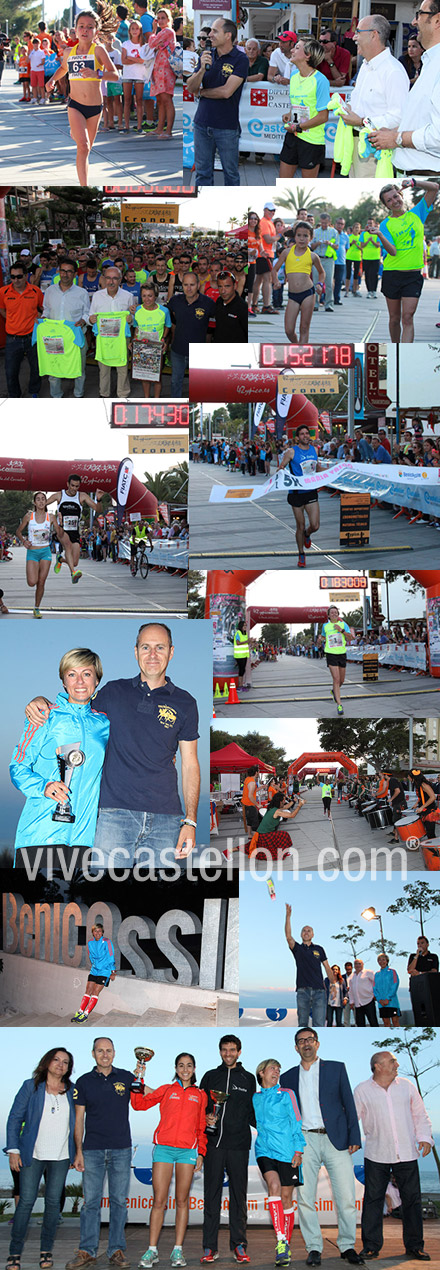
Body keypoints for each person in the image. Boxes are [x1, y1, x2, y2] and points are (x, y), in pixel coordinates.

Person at [24, 622, 200, 868]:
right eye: (145, 647)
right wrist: (40, 700)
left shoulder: (186, 703)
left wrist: (190, 821)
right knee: (105, 898)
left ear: (171, 652)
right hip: (113, 817)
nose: (152, 654)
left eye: (159, 647)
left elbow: (190, 763)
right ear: (135, 651)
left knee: (158, 899)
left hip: (166, 819)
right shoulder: (112, 692)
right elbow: (77, 702)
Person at [10, 647, 109, 855]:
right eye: (72, 674)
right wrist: (43, 786)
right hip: (40, 834)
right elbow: (18, 766)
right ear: (64, 681)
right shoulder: (45, 715)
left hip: (85, 839)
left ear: (97, 680)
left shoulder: (104, 724)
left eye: (87, 674)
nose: (80, 681)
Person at [281, 1029, 363, 1267]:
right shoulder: (287, 1077)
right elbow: (285, 1116)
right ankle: (314, 1247)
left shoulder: (337, 1068)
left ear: (317, 1044)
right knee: (305, 1198)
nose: (306, 1044)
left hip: (336, 1139)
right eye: (301, 1041)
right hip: (304, 1142)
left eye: (310, 1040)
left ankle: (347, 1245)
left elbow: (349, 1102)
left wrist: (354, 1135)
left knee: (346, 1197)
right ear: (296, 1048)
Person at [354, 1050, 433, 1260]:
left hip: (407, 1152)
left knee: (412, 1201)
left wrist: (425, 1137)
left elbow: (420, 1114)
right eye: (392, 1061)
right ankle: (371, 1246)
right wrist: (351, 1141)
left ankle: (415, 1246)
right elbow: (354, 1118)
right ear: (378, 1066)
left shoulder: (407, 1086)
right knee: (373, 1200)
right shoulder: (362, 1090)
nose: (397, 1065)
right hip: (376, 1153)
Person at [66, 1037, 137, 1270]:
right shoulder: (83, 1082)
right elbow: (78, 1120)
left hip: (121, 1149)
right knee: (90, 1204)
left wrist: (176, 1091)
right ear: (93, 1053)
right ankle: (87, 1251)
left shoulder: (127, 1077)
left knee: (119, 1202)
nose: (104, 1054)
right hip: (92, 1150)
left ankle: (116, 1250)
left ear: (114, 1053)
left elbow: (150, 1094)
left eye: (108, 1050)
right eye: (100, 1051)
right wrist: (78, 1151)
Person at [132, 1052, 207, 1268]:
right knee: (159, 1201)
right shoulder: (166, 1089)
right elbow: (139, 1105)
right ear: (176, 1069)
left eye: (189, 1065)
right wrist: (138, 1082)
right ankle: (152, 1250)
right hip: (163, 1149)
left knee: (182, 1201)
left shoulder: (200, 1095)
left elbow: (201, 1126)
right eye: (181, 1065)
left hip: (187, 1152)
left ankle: (177, 1250)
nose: (185, 1069)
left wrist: (201, 1152)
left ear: (194, 1069)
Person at [6, 1047, 76, 1270]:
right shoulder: (31, 1086)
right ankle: (14, 1252)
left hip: (61, 1156)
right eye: (56, 1060)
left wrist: (78, 1152)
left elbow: (79, 1123)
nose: (60, 1065)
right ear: (47, 1062)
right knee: (26, 1202)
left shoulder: (72, 1091)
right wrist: (13, 1151)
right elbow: (14, 1118)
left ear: (69, 1068)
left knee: (53, 1205)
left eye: (65, 1062)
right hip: (32, 1155)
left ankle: (46, 1251)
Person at [45, 10, 119, 186]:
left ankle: (77, 131)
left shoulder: (99, 50)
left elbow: (115, 75)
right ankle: (84, 186)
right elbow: (63, 68)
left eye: (90, 27)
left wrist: (97, 73)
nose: (85, 30)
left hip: (95, 108)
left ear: (96, 31)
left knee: (87, 150)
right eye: (81, 26)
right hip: (75, 105)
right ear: (76, 30)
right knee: (83, 146)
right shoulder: (69, 52)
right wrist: (52, 80)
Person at [199, 1034, 256, 1264]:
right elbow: (200, 1109)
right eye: (224, 1050)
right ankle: (209, 1247)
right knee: (211, 1196)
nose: (228, 1053)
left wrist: (273, 1128)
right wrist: (205, 1119)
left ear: (239, 1052)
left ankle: (239, 1245)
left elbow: (253, 1113)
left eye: (232, 1050)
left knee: (238, 1198)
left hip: (239, 1145)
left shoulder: (248, 1078)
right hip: (213, 1146)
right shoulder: (210, 1076)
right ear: (220, 1051)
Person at [370, 1, 440, 176]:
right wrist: (396, 133)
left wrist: (397, 138)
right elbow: (423, 119)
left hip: (427, 176)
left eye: (419, 14)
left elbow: (438, 135)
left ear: (437, 20)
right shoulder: (431, 62)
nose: (414, 22)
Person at [339, 16, 408, 177]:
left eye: (358, 32)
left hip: (375, 151)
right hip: (357, 145)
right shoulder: (365, 66)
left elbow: (399, 118)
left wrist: (362, 121)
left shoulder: (393, 71)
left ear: (373, 35)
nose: (354, 38)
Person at [253, 1058, 305, 1267]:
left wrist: (299, 1149)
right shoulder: (254, 1098)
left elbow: (296, 1121)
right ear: (261, 1073)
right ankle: (281, 1242)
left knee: (286, 1198)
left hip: (287, 1151)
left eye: (278, 1069)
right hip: (264, 1150)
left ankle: (286, 1243)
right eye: (272, 1068)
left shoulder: (287, 1094)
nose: (276, 1072)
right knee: (273, 1187)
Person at [186, 18, 249, 186]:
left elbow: (226, 92)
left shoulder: (240, 59)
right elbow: (191, 87)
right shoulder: (205, 55)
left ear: (228, 35)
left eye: (214, 31)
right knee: (202, 174)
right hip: (202, 124)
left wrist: (202, 92)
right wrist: (200, 71)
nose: (209, 35)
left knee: (231, 174)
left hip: (226, 127)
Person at [377, 180, 439, 342]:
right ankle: (395, 346)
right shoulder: (385, 225)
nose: (394, 201)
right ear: (386, 206)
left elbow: (435, 187)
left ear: (401, 195)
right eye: (389, 200)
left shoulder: (417, 213)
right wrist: (381, 236)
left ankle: (404, 353)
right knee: (394, 319)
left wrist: (413, 182)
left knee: (408, 317)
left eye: (395, 196)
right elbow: (392, 251)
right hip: (392, 275)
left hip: (413, 277)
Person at [39, 257, 91, 398]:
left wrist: (83, 321)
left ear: (75, 274)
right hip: (54, 337)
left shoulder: (82, 293)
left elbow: (87, 313)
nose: (65, 274)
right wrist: (43, 319)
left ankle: (78, 394)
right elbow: (46, 310)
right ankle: (56, 395)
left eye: (69, 271)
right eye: (63, 271)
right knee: (54, 369)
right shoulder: (50, 291)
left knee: (79, 369)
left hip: (75, 338)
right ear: (58, 272)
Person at [279, 39, 329, 180]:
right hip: (293, 136)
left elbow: (323, 116)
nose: (292, 51)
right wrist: (289, 115)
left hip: (311, 141)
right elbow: (297, 104)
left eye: (297, 48)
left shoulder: (320, 80)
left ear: (307, 55)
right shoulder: (294, 76)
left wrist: (298, 127)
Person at [46, 473, 104, 585]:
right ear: (68, 484)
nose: (74, 489)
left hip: (74, 531)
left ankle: (61, 560)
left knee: (75, 562)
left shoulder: (82, 496)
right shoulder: (59, 495)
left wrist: (99, 499)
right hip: (62, 529)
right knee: (67, 545)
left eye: (77, 486)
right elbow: (43, 504)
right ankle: (73, 573)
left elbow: (98, 509)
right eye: (72, 485)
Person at [279, 424, 323, 569]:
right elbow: (281, 468)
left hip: (311, 491)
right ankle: (301, 553)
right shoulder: (291, 452)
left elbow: (318, 468)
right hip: (296, 494)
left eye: (307, 433)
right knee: (300, 525)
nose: (305, 436)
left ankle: (307, 534)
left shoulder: (314, 450)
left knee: (315, 525)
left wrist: (337, 470)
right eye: (302, 434)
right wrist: (283, 476)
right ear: (297, 438)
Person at [272, 223, 325, 343]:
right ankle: (297, 345)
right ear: (294, 237)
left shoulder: (313, 256)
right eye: (299, 235)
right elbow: (274, 270)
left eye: (305, 236)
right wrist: (275, 280)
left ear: (310, 238)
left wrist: (320, 284)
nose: (302, 239)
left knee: (304, 327)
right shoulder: (286, 252)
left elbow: (322, 273)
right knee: (289, 330)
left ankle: (302, 354)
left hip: (308, 293)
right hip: (293, 296)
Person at [89, 266, 136, 397]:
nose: (111, 282)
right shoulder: (97, 296)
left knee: (122, 367)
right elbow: (91, 315)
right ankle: (104, 393)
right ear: (103, 279)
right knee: (103, 368)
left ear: (120, 279)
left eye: (115, 278)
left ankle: (123, 393)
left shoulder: (128, 296)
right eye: (108, 278)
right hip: (103, 339)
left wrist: (131, 319)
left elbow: (133, 319)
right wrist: (91, 319)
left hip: (121, 338)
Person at [284, 907, 334, 1028]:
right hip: (302, 991)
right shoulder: (297, 949)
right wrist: (288, 917)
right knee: (302, 1024)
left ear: (313, 934)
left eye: (309, 930)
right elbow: (288, 937)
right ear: (301, 934)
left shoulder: (319, 949)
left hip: (319, 991)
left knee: (319, 1024)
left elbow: (327, 967)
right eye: (304, 930)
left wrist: (333, 984)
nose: (306, 932)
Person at [0, 261, 43, 398]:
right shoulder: (3, 292)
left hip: (32, 337)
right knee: (10, 371)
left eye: (19, 277)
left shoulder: (35, 291)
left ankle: (34, 391)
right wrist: (13, 319)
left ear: (26, 276)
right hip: (12, 338)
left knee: (36, 368)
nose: (15, 280)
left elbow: (43, 309)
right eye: (12, 277)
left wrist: (39, 318)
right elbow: (2, 309)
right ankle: (14, 395)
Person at [168, 273, 215, 397]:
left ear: (198, 285)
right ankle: (176, 405)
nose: (189, 288)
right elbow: (163, 315)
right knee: (175, 382)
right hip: (177, 350)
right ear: (182, 286)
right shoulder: (174, 301)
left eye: (192, 285)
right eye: (186, 285)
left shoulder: (208, 303)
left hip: (198, 352)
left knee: (199, 384)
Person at [16, 491, 59, 618]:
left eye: (43, 499)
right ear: (34, 502)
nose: (40, 501)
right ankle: (36, 605)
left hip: (45, 552)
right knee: (32, 582)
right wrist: (24, 541)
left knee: (41, 582)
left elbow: (60, 533)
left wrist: (60, 522)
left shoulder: (50, 517)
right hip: (32, 553)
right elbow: (18, 531)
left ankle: (36, 607)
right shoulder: (29, 516)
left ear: (46, 502)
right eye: (38, 499)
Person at [132, 280, 172, 397]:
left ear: (155, 296)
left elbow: (168, 326)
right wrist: (134, 340)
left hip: (157, 349)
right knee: (145, 376)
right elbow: (136, 327)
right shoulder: (138, 310)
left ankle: (156, 399)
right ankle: (146, 398)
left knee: (156, 377)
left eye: (150, 296)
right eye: (144, 296)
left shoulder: (164, 311)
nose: (147, 299)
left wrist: (164, 339)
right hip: (142, 348)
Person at [71, 923, 116, 1023]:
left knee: (95, 992)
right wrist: (94, 966)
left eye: (99, 931)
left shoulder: (107, 942)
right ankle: (80, 1012)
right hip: (94, 970)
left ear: (102, 932)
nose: (97, 933)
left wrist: (112, 971)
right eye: (95, 931)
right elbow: (91, 956)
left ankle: (85, 1015)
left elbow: (110, 956)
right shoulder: (90, 942)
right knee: (88, 991)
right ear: (92, 933)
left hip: (104, 971)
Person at [317, 606, 356, 717]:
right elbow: (323, 637)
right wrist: (320, 639)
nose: (334, 614)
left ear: (338, 614)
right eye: (331, 613)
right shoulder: (325, 626)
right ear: (328, 615)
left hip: (341, 653)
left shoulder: (344, 625)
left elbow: (350, 638)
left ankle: (335, 691)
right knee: (336, 679)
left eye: (336, 612)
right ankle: (339, 704)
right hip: (331, 654)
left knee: (342, 680)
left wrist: (341, 630)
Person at [247, 792, 305, 860]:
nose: (285, 801)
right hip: (265, 836)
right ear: (280, 801)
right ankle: (284, 852)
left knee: (278, 834)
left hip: (261, 834)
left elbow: (286, 807)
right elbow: (292, 815)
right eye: (283, 800)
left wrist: (293, 801)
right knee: (284, 835)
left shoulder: (272, 807)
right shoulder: (277, 811)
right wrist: (299, 805)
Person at [148, 8, 177, 139]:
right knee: (159, 100)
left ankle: (168, 130)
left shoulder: (168, 31)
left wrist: (153, 32)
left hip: (166, 68)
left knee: (166, 99)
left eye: (163, 18)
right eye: (158, 18)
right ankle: (160, 128)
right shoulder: (163, 32)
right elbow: (154, 45)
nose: (160, 21)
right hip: (158, 68)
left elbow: (151, 43)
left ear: (169, 19)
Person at [121, 19, 148, 133]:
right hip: (127, 74)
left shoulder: (144, 45)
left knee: (139, 100)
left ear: (140, 30)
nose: (135, 31)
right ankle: (126, 126)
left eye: (137, 28)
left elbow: (143, 60)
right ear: (129, 31)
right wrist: (137, 60)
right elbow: (123, 60)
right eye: (132, 29)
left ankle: (139, 126)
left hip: (140, 75)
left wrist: (130, 58)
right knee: (127, 100)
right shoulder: (125, 44)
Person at [310, 213, 339, 313]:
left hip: (329, 259)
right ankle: (315, 304)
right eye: (322, 223)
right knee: (315, 282)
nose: (324, 225)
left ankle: (329, 304)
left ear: (329, 222)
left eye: (326, 223)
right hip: (317, 258)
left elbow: (337, 246)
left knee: (329, 282)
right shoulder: (315, 232)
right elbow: (311, 246)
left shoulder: (334, 232)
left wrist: (330, 243)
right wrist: (318, 243)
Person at [213, 272, 248, 342]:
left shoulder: (242, 307)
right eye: (220, 286)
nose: (223, 291)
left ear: (235, 286)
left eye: (227, 286)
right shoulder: (219, 302)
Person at [373, 953, 401, 1028]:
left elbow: (395, 985)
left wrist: (388, 998)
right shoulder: (376, 974)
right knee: (386, 1023)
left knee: (395, 1022)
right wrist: (379, 1000)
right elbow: (374, 988)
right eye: (379, 960)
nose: (381, 962)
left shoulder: (392, 972)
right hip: (381, 1004)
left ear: (387, 961)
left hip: (392, 1002)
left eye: (383, 960)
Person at [348, 959, 379, 1027]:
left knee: (373, 1022)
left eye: (359, 963)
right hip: (357, 1004)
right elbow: (350, 990)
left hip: (368, 1001)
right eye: (356, 964)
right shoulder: (351, 976)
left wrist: (375, 994)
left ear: (362, 964)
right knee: (360, 1024)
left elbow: (376, 983)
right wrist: (351, 1001)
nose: (358, 965)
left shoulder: (369, 972)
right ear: (354, 966)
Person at [410, 768, 439, 839]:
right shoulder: (419, 785)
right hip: (425, 810)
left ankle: (434, 849)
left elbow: (433, 797)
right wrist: (417, 803)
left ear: (413, 777)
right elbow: (422, 796)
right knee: (422, 830)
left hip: (429, 811)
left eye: (409, 776)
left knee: (430, 833)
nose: (408, 778)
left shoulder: (424, 785)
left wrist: (422, 807)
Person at [359, 220, 382, 298]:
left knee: (374, 275)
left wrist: (372, 241)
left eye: (371, 223)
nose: (369, 225)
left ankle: (374, 291)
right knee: (367, 275)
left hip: (375, 257)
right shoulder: (363, 234)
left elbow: (378, 245)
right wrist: (368, 241)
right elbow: (362, 245)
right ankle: (369, 291)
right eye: (368, 223)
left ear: (374, 224)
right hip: (366, 257)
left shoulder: (377, 234)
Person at [241, 765, 259, 834]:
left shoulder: (247, 779)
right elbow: (250, 796)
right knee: (255, 823)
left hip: (246, 804)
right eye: (258, 772)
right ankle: (255, 840)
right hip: (250, 804)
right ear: (256, 772)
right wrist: (257, 804)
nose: (259, 773)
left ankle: (249, 835)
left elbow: (252, 791)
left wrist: (261, 787)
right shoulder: (252, 782)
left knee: (249, 821)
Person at [233, 617, 250, 691]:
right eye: (244, 626)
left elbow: (245, 643)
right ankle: (239, 686)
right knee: (241, 670)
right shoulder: (238, 633)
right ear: (241, 626)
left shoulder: (244, 634)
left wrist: (251, 641)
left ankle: (241, 685)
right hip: (239, 655)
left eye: (246, 626)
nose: (245, 627)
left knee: (243, 670)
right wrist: (247, 641)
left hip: (244, 655)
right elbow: (238, 643)